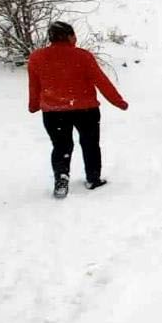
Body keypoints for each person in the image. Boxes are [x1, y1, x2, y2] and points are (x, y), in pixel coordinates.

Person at [27, 20, 128, 199]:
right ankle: (93, 178)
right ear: (68, 36)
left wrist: (34, 105)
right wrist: (118, 101)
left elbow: (34, 85)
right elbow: (101, 81)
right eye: (73, 35)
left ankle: (61, 179)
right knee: (90, 144)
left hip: (53, 111)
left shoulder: (37, 57)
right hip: (85, 109)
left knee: (61, 146)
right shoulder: (82, 56)